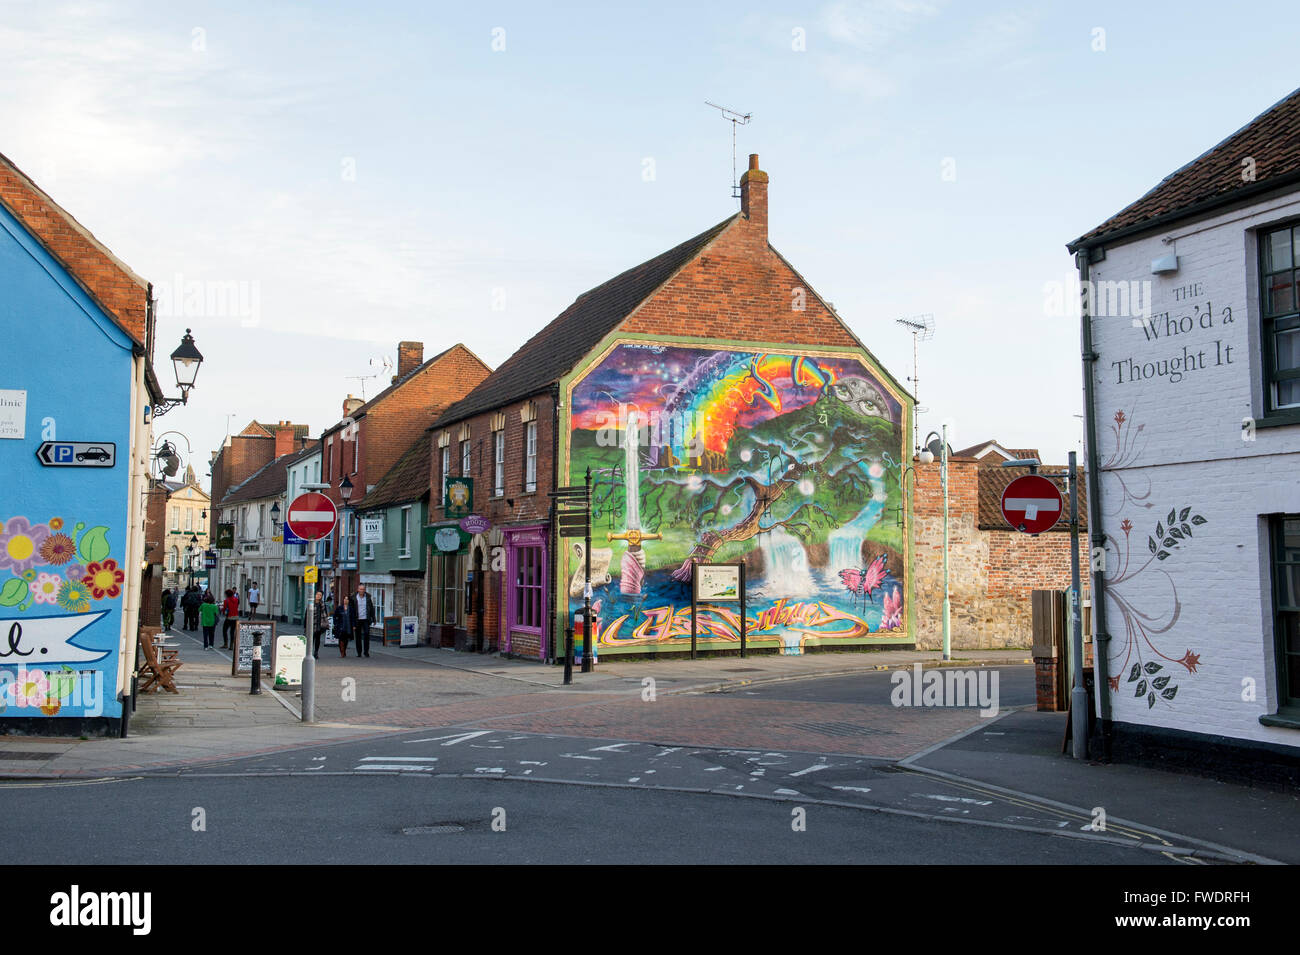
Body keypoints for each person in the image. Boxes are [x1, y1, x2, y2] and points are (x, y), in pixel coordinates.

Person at [347, 583, 375, 658]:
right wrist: (351, 622)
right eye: (360, 589)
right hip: (357, 619)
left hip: (366, 619)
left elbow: (371, 608)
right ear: (358, 589)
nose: (362, 591)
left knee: (366, 634)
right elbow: (351, 610)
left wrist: (374, 618)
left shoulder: (368, 597)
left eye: (363, 589)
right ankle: (359, 652)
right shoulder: (353, 598)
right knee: (358, 636)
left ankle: (366, 652)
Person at [311, 591, 328, 659]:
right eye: (317, 594)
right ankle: (310, 652)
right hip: (312, 623)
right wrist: (305, 625)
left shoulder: (322, 604)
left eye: (320, 595)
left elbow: (325, 614)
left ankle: (316, 652)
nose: (318, 596)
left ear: (321, 597)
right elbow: (307, 613)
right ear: (315, 595)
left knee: (317, 639)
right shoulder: (311, 603)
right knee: (311, 639)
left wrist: (325, 623)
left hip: (319, 623)